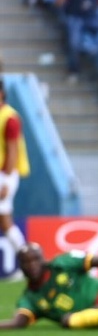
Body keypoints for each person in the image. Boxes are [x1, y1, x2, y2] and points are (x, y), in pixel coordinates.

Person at [0, 238, 98, 329]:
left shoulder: (63, 263)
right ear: (20, 266)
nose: (32, 265)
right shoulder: (29, 299)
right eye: (26, 262)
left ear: (43, 259)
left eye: (35, 259)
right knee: (67, 321)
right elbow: (17, 322)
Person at [0, 78, 30, 254]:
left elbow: (13, 151)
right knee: (5, 221)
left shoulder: (10, 118)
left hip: (5, 174)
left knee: (5, 221)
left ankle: (27, 257)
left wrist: (5, 182)